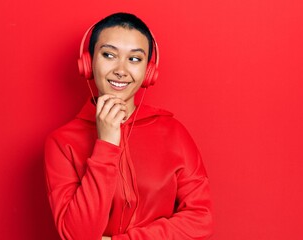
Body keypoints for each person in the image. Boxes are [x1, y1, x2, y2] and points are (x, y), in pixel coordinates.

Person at [44, 12, 213, 240]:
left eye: (134, 59)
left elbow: (201, 221)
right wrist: (106, 143)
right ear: (88, 62)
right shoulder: (62, 142)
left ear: (148, 71)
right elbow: (78, 235)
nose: (121, 70)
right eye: (109, 55)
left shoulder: (174, 132)